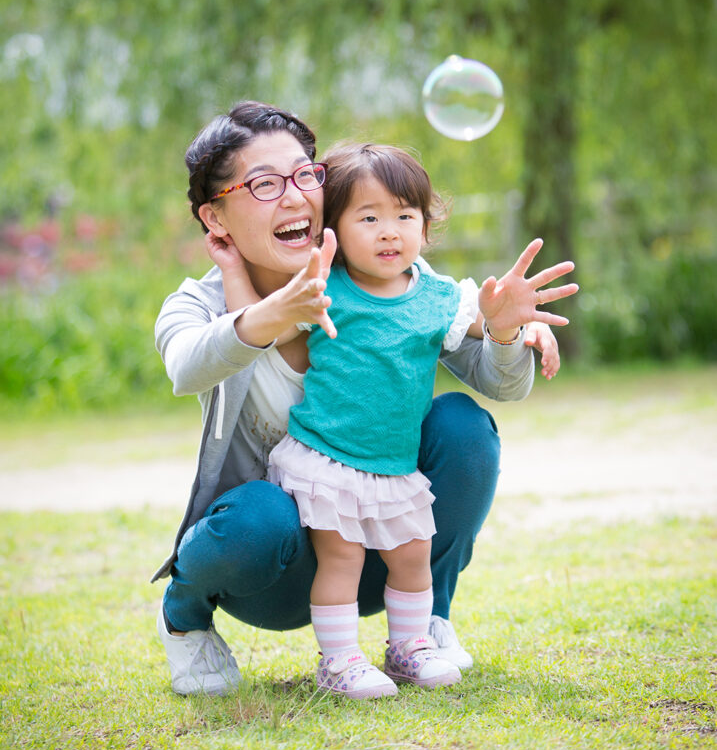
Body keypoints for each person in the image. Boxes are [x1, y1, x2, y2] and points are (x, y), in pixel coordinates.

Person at [153, 100, 576, 697]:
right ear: (215, 217)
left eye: (306, 174)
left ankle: (425, 624)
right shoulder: (199, 303)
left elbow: (502, 383)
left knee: (462, 424)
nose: (296, 196)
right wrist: (270, 313)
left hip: (380, 539)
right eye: (265, 184)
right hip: (272, 565)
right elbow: (187, 365)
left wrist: (505, 330)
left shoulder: (395, 281)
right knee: (258, 516)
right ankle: (185, 615)